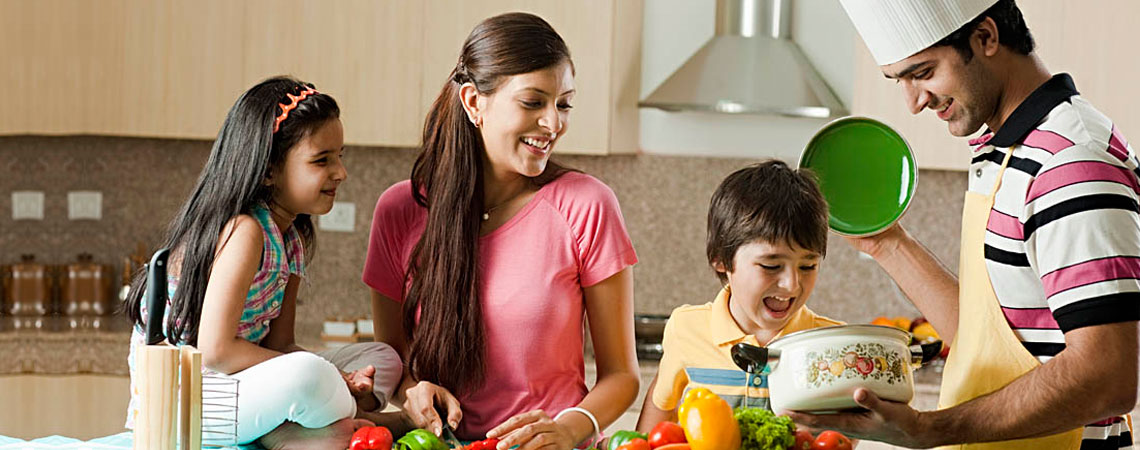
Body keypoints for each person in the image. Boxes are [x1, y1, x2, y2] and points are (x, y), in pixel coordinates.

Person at [788, 1, 1139, 448]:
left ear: (986, 37)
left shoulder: (1070, 163)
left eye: (923, 73)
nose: (914, 103)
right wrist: (887, 244)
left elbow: (1106, 376)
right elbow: (987, 340)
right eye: (901, 81)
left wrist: (928, 429)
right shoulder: (1000, 148)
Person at [363, 12, 641, 449]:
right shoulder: (401, 210)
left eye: (563, 104)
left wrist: (569, 429)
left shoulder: (587, 205)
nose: (554, 124)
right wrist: (412, 391)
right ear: (474, 102)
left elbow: (623, 375)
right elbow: (392, 360)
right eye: (533, 102)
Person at [123, 77, 402, 449]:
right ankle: (358, 421)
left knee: (384, 356)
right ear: (269, 170)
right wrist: (334, 376)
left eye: (340, 156)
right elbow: (217, 351)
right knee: (312, 376)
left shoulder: (291, 237)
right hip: (190, 400)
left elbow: (282, 344)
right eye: (322, 160)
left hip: (239, 384)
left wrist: (340, 378)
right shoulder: (245, 231)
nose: (340, 172)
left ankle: (306, 427)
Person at [635, 160, 843, 430]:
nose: (791, 284)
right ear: (722, 260)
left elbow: (843, 436)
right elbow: (660, 407)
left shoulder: (832, 344)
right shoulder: (686, 328)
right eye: (771, 266)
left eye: (808, 266)